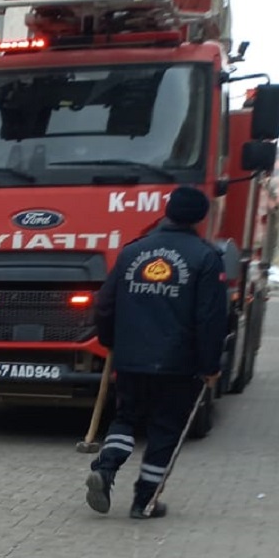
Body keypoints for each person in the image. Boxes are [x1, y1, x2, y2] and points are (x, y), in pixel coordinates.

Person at [84, 185, 227, 519]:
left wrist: (110, 341)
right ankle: (144, 501)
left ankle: (105, 469)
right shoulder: (206, 257)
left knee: (126, 417)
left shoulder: (133, 252)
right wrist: (210, 364)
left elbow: (104, 304)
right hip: (179, 364)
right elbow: (210, 318)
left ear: (166, 210)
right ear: (201, 218)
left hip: (131, 358)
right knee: (165, 428)